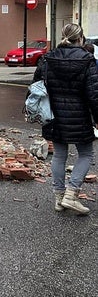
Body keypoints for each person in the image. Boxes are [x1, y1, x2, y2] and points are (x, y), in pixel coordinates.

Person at [32, 23, 98, 214]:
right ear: (81, 38)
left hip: (53, 115)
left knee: (60, 155)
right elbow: (94, 94)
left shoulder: (47, 58)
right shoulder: (86, 60)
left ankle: (59, 198)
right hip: (79, 116)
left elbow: (37, 86)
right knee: (86, 154)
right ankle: (71, 193)